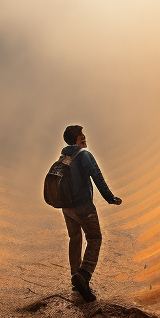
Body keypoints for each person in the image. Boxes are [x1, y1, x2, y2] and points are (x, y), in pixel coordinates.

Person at [59, 124, 122, 302]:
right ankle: (84, 275)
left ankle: (74, 278)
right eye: (81, 135)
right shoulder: (84, 155)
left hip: (67, 207)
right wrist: (110, 198)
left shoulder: (64, 155)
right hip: (83, 206)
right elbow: (97, 176)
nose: (84, 137)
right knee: (95, 238)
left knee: (75, 238)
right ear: (76, 139)